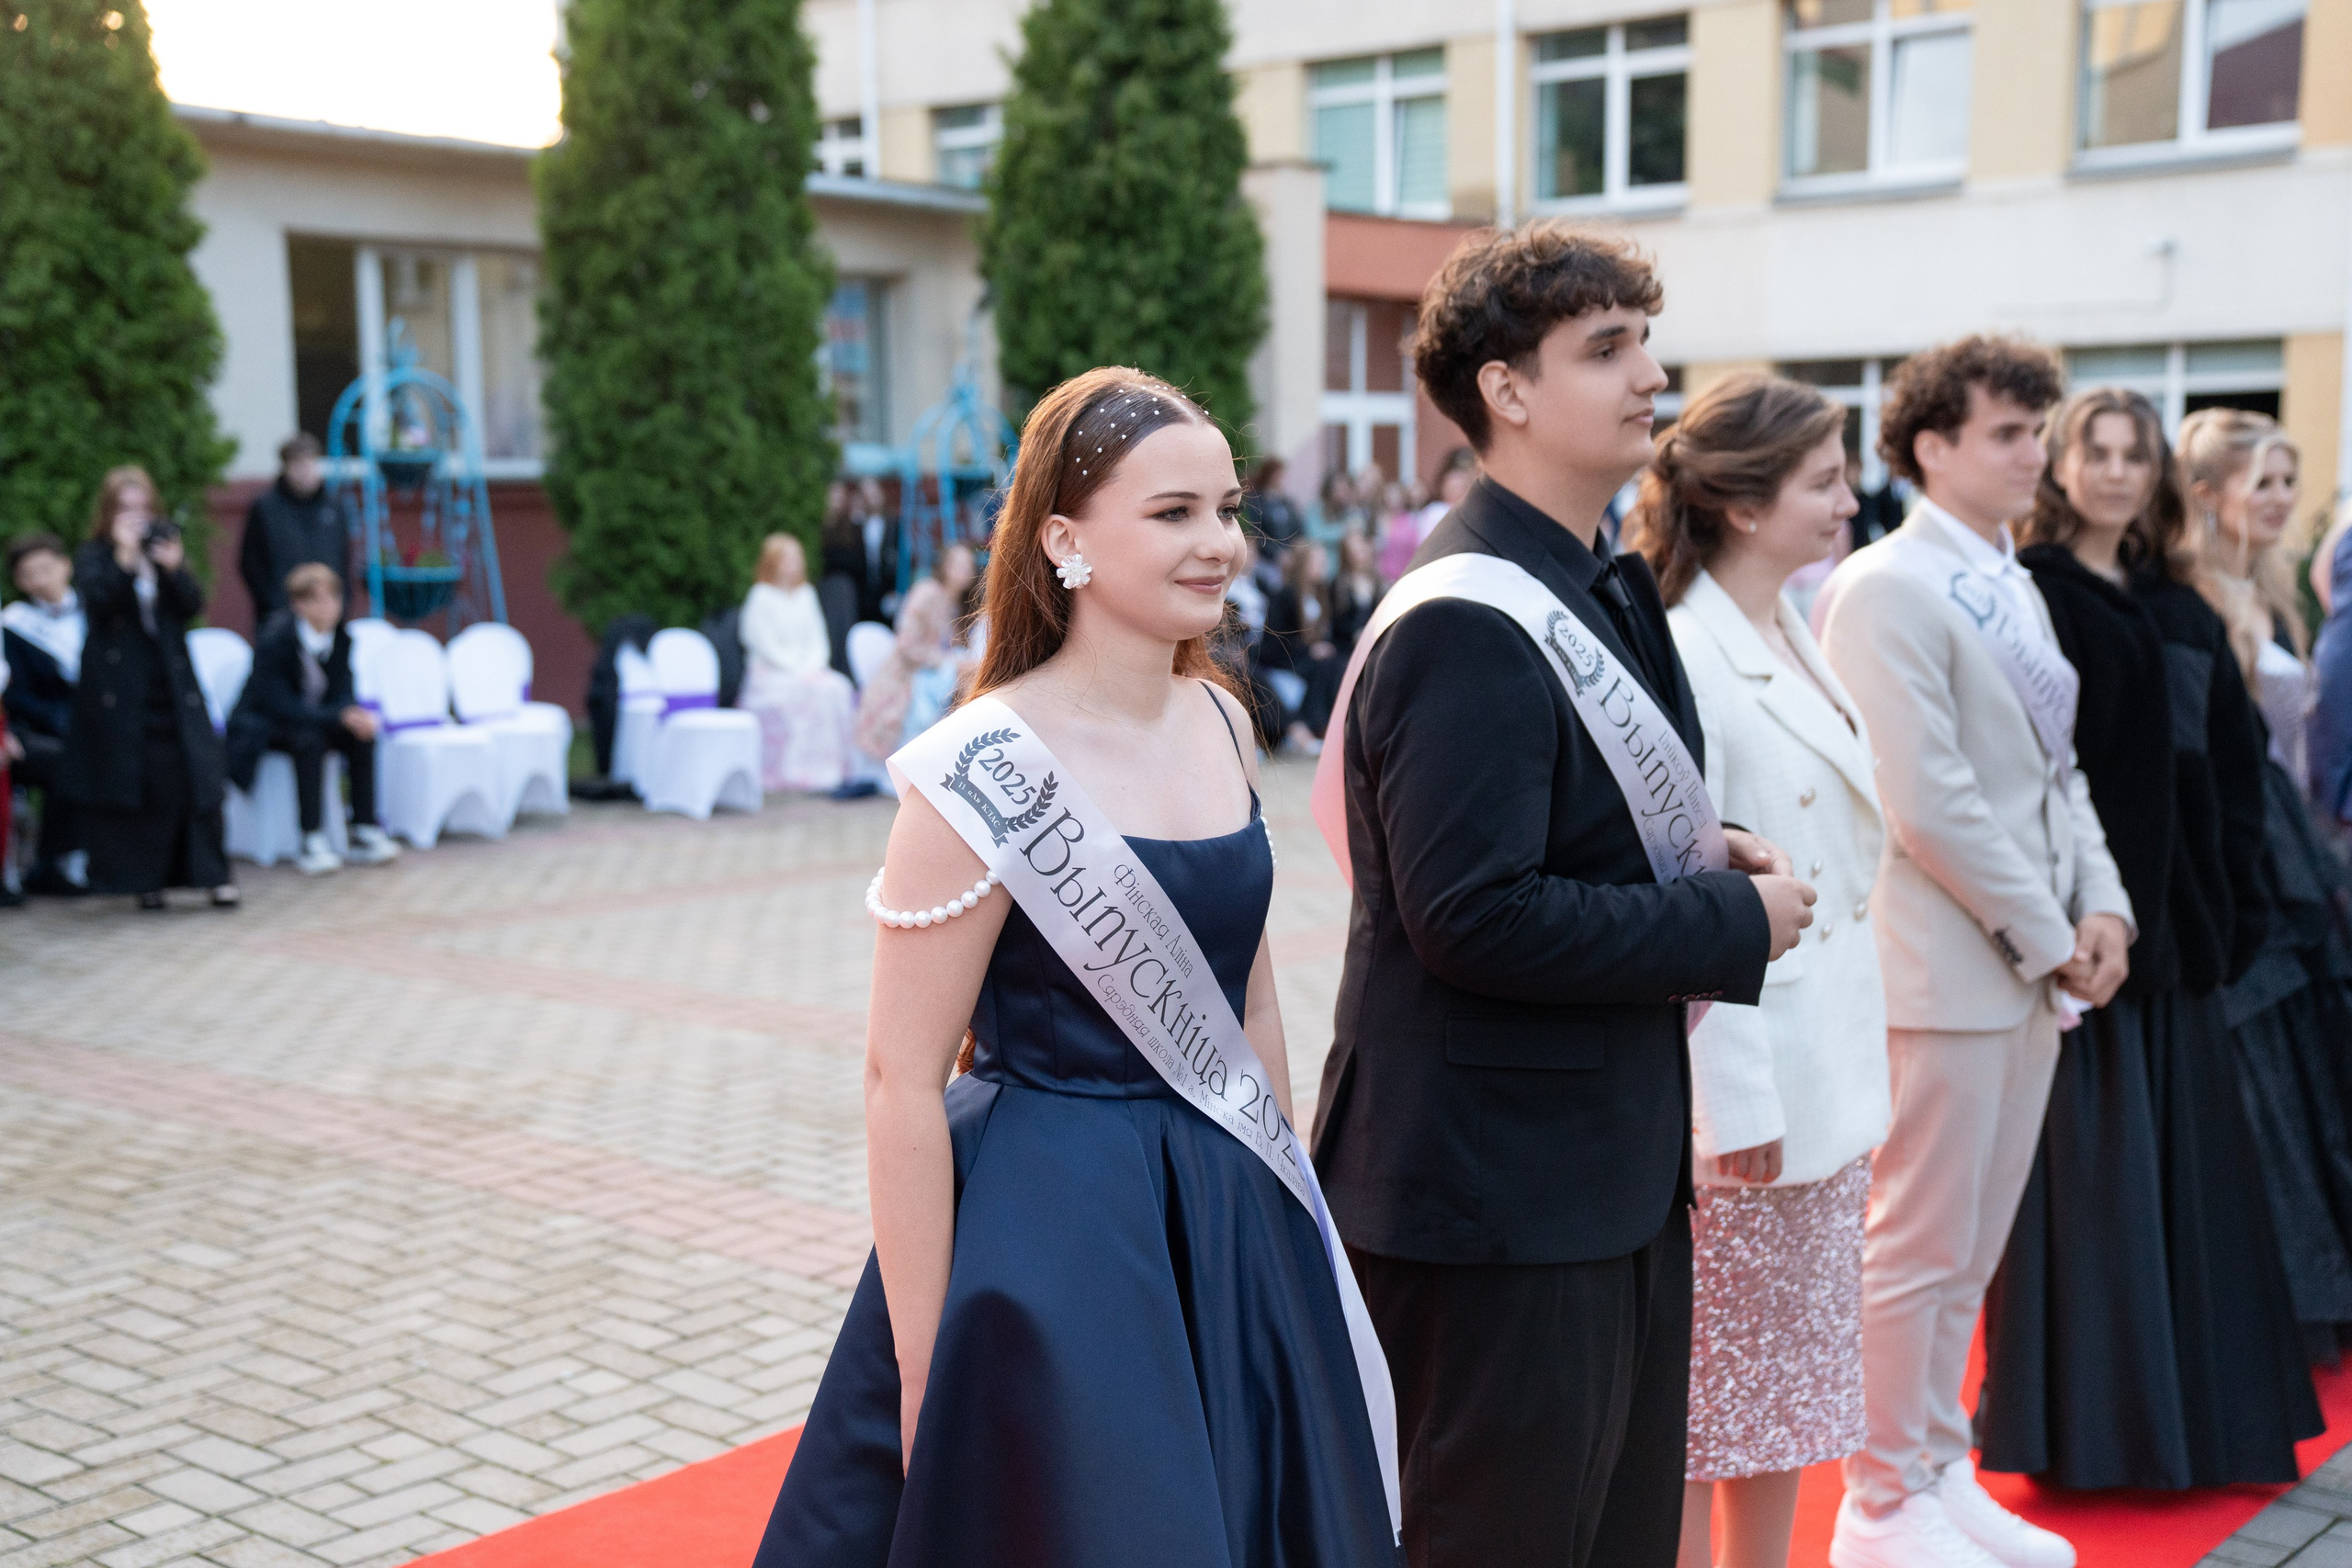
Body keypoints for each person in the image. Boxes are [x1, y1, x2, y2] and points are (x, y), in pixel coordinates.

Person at [751, 368, 1399, 1566]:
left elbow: (1249, 993)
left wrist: (1284, 1216)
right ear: (1064, 538)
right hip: (1053, 1236)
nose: (1220, 544)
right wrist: (925, 1363)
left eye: (1229, 507)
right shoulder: (976, 767)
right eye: (1174, 513)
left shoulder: (1222, 719)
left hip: (1224, 1204)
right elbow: (899, 1078)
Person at [1309, 222, 1811, 1568]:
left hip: (1599, 1174)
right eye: (1608, 349)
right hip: (1490, 1200)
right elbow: (1471, 912)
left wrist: (1728, 853)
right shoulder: (1466, 615)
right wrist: (1728, 922)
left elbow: (1585, 831)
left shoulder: (1595, 581)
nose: (1652, 374)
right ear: (1505, 391)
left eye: (1645, 340)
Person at [1815, 336, 2133, 1568]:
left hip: (2022, 962)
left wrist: (2102, 907)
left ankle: (1938, 1465)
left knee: (1977, 1242)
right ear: (1932, 444)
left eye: (2035, 430)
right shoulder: (1889, 583)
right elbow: (1926, 797)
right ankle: (1880, 1496)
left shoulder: (2013, 580)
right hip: (1946, 966)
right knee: (1920, 1241)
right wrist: (2051, 935)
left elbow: (2057, 772)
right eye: (2011, 431)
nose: (2035, 454)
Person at [1976, 388, 2318, 1488]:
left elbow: (2228, 776)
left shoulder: (2176, 602)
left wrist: (2235, 912)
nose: (2117, 472)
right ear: (2062, 466)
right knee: (2092, 1198)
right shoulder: (2031, 595)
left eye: (2135, 454)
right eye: (2097, 451)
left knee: (2186, 1195)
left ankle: (2192, 1426)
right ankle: (2095, 1436)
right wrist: (2062, 916)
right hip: (2085, 946)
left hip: (2184, 943)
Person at [1629, 374, 1891, 1568]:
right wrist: (1731, 1098)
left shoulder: (1782, 623)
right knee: (1707, 1405)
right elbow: (1699, 890)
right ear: (1740, 502)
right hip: (1752, 1096)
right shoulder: (1683, 649)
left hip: (1826, 1071)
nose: (1848, 500)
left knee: (1788, 1389)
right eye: (1824, 479)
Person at [2186, 410, 2352, 1365]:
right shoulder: (2202, 597)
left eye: (2290, 480)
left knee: (2303, 1071)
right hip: (2250, 860)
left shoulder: (2277, 596)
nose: (2282, 499)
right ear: (2207, 495)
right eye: (2263, 482)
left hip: (2292, 855)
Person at [63, 467, 239, 910]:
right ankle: (147, 881)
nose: (136, 518)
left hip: (171, 683)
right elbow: (98, 605)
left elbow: (191, 605)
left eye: (142, 507)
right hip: (121, 689)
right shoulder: (95, 555)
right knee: (139, 780)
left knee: (193, 773)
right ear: (109, 514)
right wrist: (124, 560)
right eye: (126, 509)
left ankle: (212, 876)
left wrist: (175, 569)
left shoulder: (165, 550)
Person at [225, 565, 401, 875]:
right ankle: (312, 838)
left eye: (334, 598)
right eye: (318, 600)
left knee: (362, 736)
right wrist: (339, 715)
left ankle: (364, 829)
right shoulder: (275, 638)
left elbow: (344, 689)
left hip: (314, 719)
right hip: (267, 725)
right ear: (299, 605)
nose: (329, 607)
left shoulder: (342, 637)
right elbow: (280, 705)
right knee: (309, 740)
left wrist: (354, 715)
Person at [3, 532, 88, 893]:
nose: (41, 579)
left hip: (95, 724)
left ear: (66, 566)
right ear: (19, 581)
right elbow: (17, 694)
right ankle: (53, 864)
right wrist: (64, 722)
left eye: (47, 568)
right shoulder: (15, 624)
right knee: (67, 761)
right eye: (30, 573)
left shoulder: (95, 612)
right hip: (38, 730)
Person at [739, 533, 857, 793]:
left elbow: (817, 640)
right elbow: (762, 643)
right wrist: (796, 670)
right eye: (786, 558)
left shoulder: (806, 594)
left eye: (796, 557)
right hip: (770, 673)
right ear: (773, 562)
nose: (793, 563)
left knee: (837, 688)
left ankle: (830, 771)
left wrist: (812, 668)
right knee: (807, 693)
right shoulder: (761, 596)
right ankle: (793, 772)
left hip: (808, 670)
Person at [852, 542, 976, 764]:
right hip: (908, 675)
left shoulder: (960, 604)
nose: (965, 570)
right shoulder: (927, 592)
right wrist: (944, 660)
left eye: (968, 564)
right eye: (958, 563)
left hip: (936, 677)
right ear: (944, 565)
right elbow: (906, 644)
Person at [238, 434, 356, 622]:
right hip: (281, 615)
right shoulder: (266, 508)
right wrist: (272, 602)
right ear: (285, 468)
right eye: (298, 465)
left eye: (310, 464)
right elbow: (250, 562)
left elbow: (344, 558)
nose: (305, 471)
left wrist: (342, 604)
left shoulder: (334, 506)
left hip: (328, 615)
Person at [1257, 538, 1344, 752]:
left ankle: (1327, 727)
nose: (1323, 566)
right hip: (1284, 660)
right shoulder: (1284, 596)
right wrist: (1309, 650)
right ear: (1303, 564)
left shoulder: (1321, 595)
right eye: (1317, 562)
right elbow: (1275, 642)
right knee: (1324, 667)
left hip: (1307, 659)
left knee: (1336, 663)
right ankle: (1310, 726)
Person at [824, 477, 902, 627]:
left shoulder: (893, 524)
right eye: (866, 495)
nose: (871, 499)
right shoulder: (856, 524)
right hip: (862, 590)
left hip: (886, 586)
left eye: (874, 494)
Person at [1329, 529, 1384, 658]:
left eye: (1362, 550)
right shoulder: (1339, 584)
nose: (1360, 555)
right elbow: (1336, 620)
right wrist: (1355, 634)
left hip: (1374, 645)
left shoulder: (1378, 582)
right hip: (1347, 648)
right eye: (1354, 551)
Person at [1244, 456, 1306, 561]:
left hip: (1290, 557)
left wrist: (1296, 549)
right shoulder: (1256, 502)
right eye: (1278, 475)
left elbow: (1299, 530)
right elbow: (1256, 534)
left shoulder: (1289, 504)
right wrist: (1276, 554)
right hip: (1265, 559)